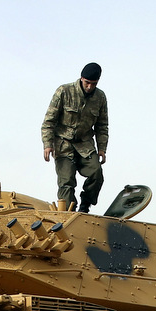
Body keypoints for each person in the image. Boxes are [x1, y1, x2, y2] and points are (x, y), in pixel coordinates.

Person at [41, 62, 109, 213]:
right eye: (87, 83)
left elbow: (102, 126)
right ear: (81, 79)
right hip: (63, 144)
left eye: (94, 84)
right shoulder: (64, 91)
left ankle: (85, 206)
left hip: (84, 144)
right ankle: (69, 214)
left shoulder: (100, 97)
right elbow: (49, 121)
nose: (90, 87)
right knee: (66, 182)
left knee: (96, 173)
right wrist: (47, 144)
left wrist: (102, 148)